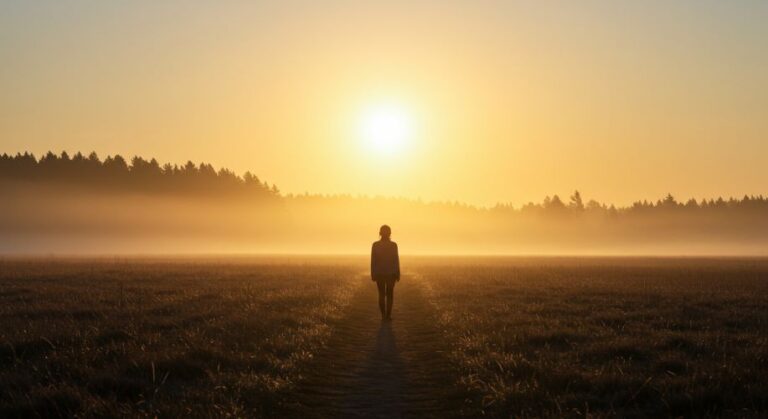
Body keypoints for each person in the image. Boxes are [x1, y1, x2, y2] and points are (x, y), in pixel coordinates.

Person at [370, 224, 400, 321]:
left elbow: (373, 261)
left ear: (380, 233)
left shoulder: (376, 245)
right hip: (390, 273)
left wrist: (373, 273)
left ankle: (384, 316)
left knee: (382, 294)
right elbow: (396, 260)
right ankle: (387, 315)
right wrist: (397, 273)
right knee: (389, 294)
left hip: (380, 273)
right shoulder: (393, 245)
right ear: (390, 233)